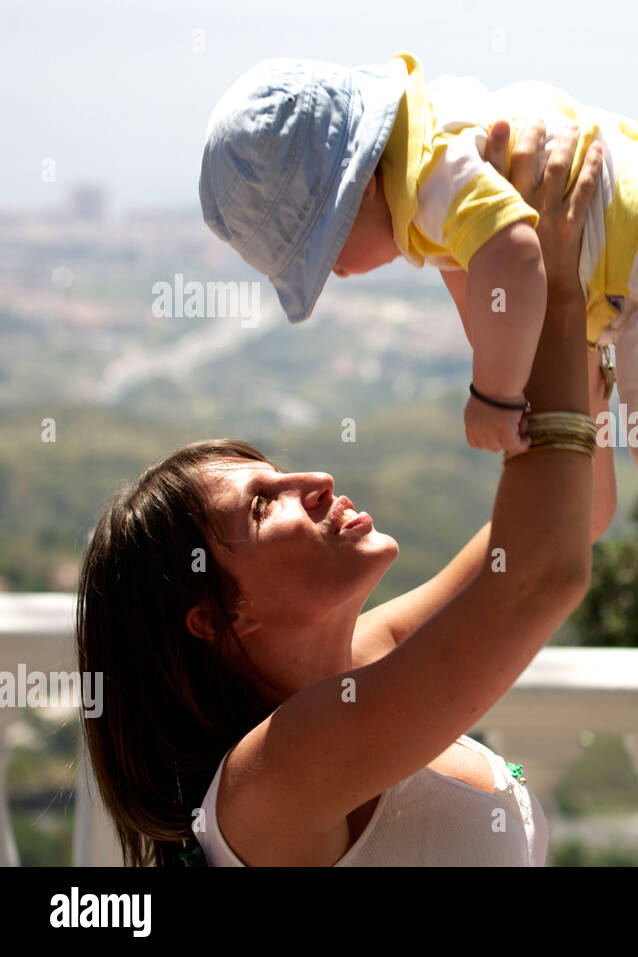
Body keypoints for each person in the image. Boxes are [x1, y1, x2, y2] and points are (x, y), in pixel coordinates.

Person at [199, 50, 638, 735]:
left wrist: (491, 394)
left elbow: (519, 253)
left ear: (361, 186)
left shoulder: (432, 176)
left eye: (324, 250)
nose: (335, 272)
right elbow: (586, 505)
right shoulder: (449, 134)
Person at [75, 122, 608, 866]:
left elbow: (576, 517)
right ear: (211, 617)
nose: (316, 482)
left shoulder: (364, 664)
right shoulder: (270, 778)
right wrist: (553, 288)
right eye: (264, 505)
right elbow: (542, 575)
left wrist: (482, 252)